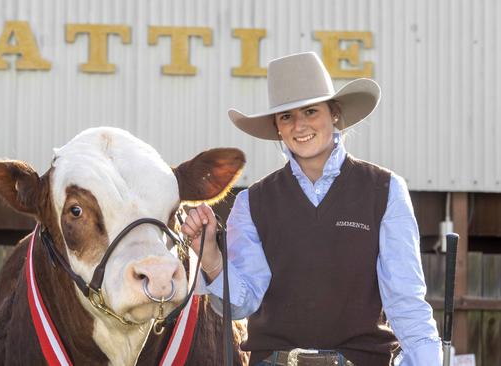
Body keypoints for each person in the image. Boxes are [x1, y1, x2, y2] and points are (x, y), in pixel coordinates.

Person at [181, 52, 441, 366]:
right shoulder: (252, 203)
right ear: (277, 127)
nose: (299, 125)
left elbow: (406, 301)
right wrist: (210, 257)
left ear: (334, 113)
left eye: (310, 111)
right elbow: (242, 304)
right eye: (286, 116)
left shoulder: (385, 191)